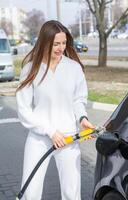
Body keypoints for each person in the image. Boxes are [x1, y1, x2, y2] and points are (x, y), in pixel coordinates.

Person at [16, 20, 95, 200]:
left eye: (64, 43)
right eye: (56, 44)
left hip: (68, 138)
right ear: (45, 42)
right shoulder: (31, 69)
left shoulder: (74, 68)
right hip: (39, 139)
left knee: (71, 193)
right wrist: (50, 131)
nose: (61, 48)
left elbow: (78, 100)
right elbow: (24, 109)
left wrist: (82, 119)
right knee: (31, 192)